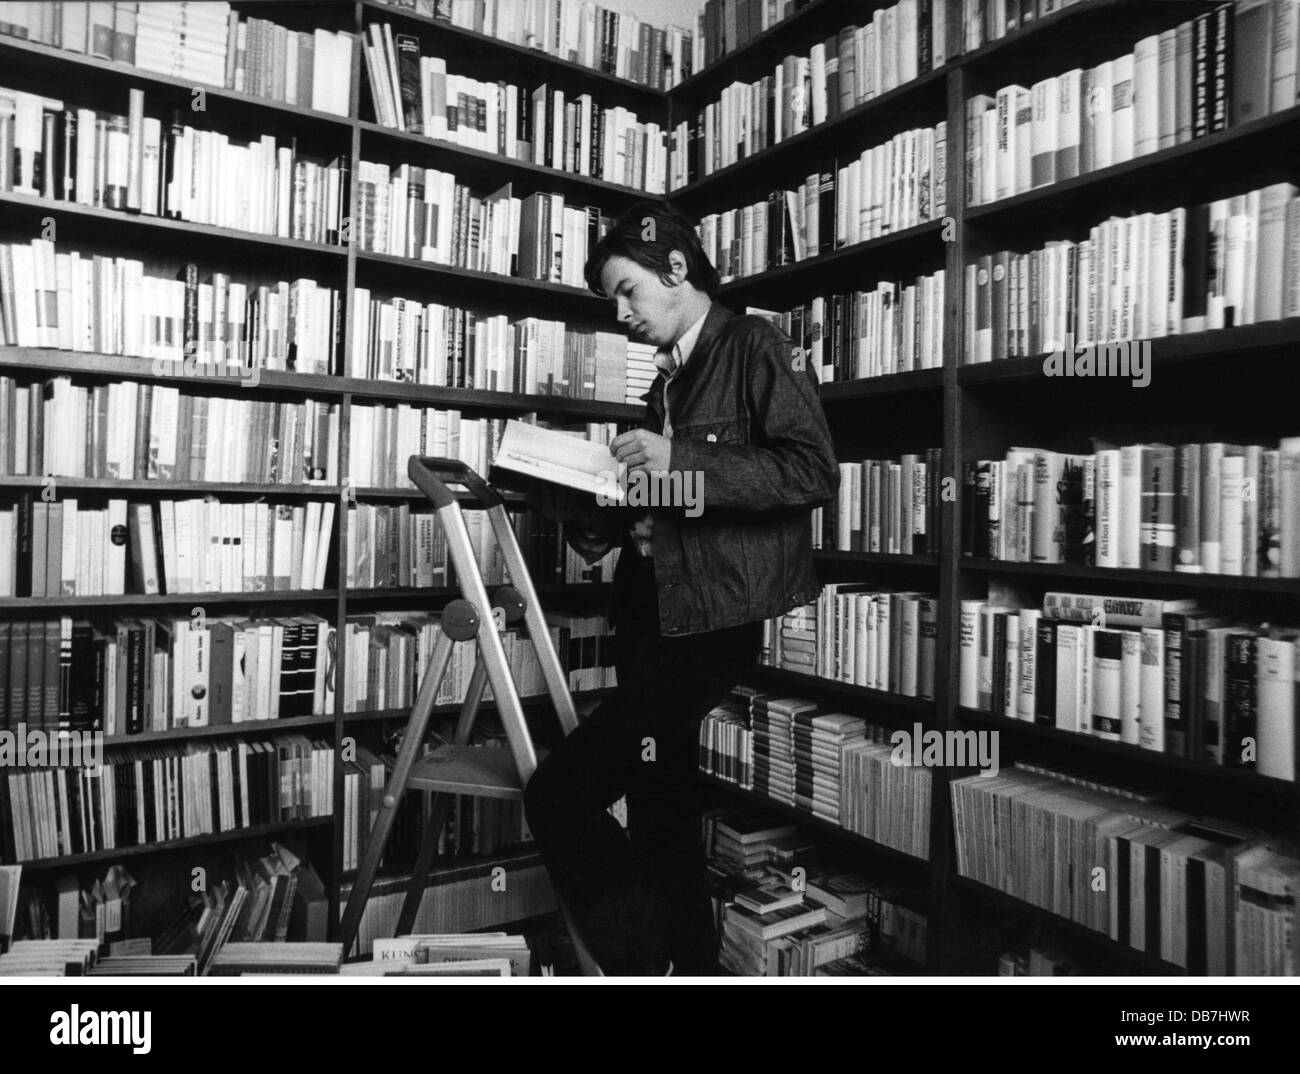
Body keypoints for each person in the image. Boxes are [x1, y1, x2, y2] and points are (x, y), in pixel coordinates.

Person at [520, 201, 838, 975]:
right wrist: (598, 509)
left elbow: (811, 472)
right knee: (664, 805)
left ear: (676, 269)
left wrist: (678, 463)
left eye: (628, 291)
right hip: (648, 612)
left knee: (560, 795)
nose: (621, 313)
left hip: (708, 628)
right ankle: (690, 965)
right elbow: (667, 498)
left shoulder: (756, 344)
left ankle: (640, 965)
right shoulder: (667, 378)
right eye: (611, 301)